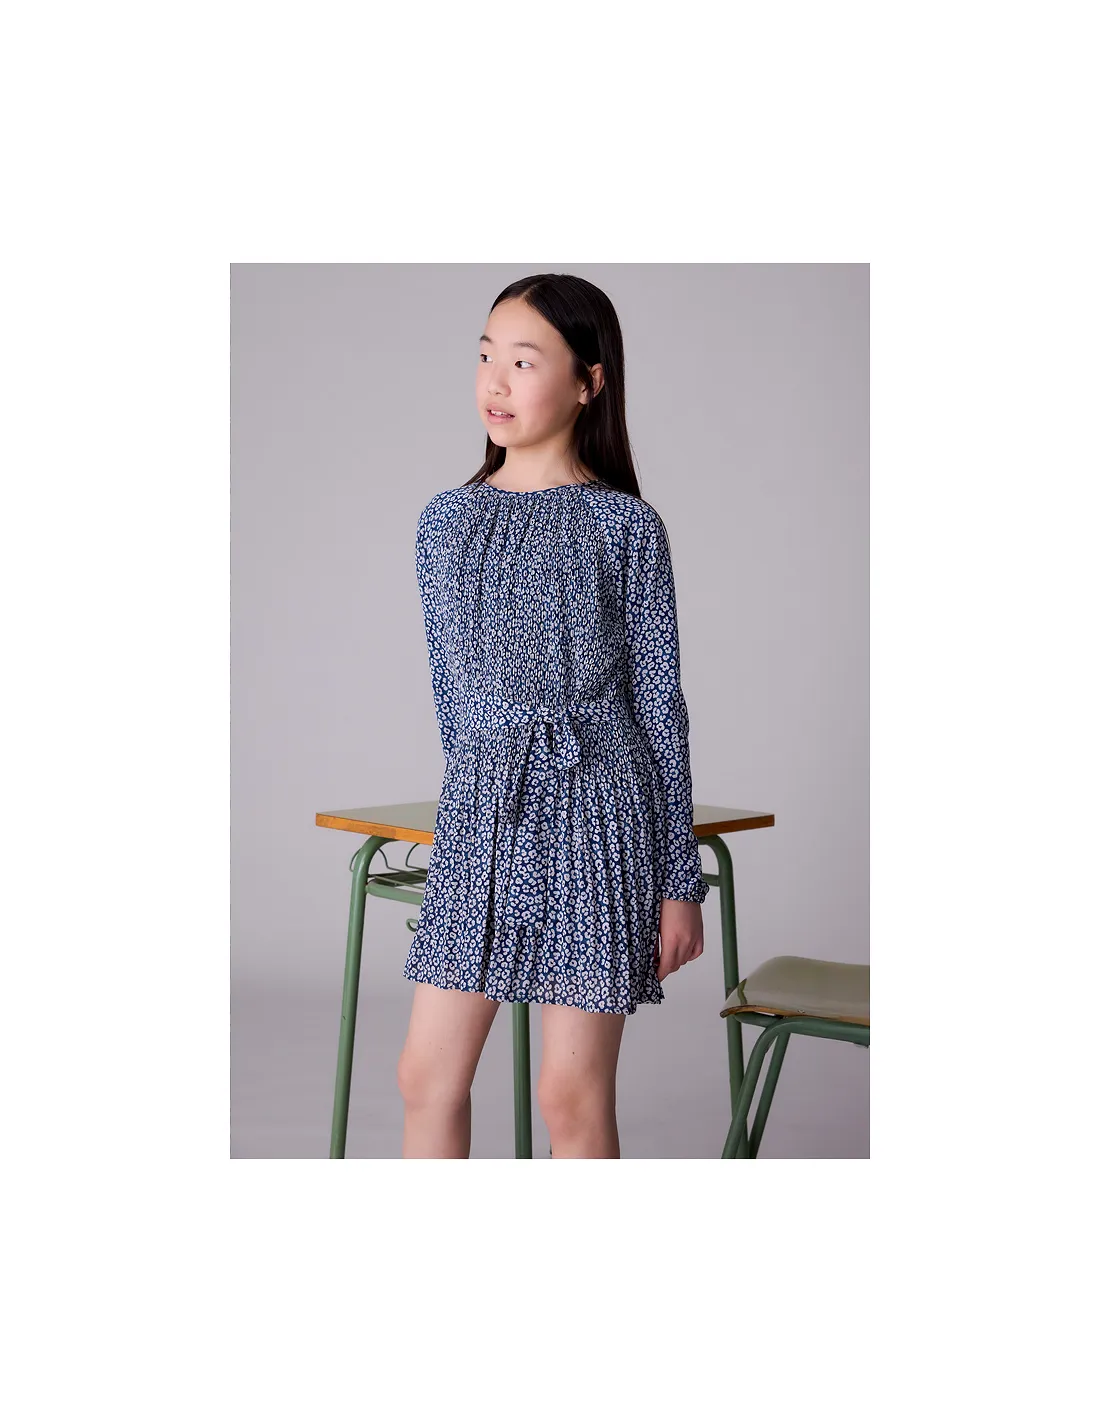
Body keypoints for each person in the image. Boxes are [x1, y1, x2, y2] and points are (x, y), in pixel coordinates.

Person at [398, 273, 709, 1159]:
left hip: (597, 816)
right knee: (425, 1077)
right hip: (484, 816)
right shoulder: (445, 523)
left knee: (569, 1096)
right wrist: (471, 811)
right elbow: (453, 699)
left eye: (525, 361)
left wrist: (678, 881)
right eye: (485, 356)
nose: (495, 381)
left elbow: (659, 706)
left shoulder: (626, 527)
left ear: (588, 382)